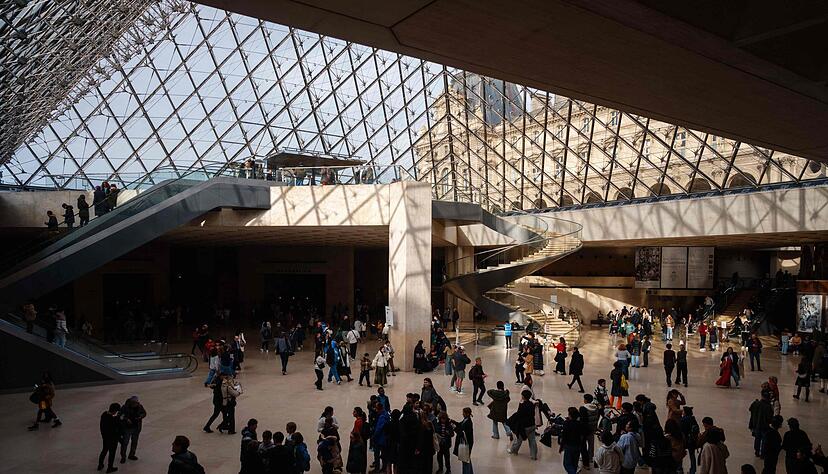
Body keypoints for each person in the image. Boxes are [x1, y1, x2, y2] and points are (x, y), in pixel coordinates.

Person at [506, 389, 537, 459]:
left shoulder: (522, 405)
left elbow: (518, 415)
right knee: (532, 441)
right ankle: (534, 455)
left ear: (523, 396)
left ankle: (513, 450)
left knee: (518, 440)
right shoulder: (532, 405)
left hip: (524, 426)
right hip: (532, 425)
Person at [119, 395, 146, 463]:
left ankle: (131, 455)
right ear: (131, 402)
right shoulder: (125, 407)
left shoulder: (139, 406)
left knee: (134, 442)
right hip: (127, 428)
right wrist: (126, 419)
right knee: (125, 443)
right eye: (134, 403)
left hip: (136, 427)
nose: (135, 404)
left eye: (136, 403)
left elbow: (144, 413)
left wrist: (140, 417)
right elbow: (120, 416)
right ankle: (123, 456)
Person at [98, 402, 122, 473]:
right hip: (113, 439)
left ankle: (100, 464)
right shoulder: (112, 419)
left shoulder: (104, 415)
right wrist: (118, 419)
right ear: (115, 411)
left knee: (104, 450)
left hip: (105, 437)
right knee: (112, 453)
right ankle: (110, 467)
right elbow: (116, 428)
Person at [749, 392, 774, 457]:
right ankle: (763, 453)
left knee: (757, 438)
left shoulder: (756, 403)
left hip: (756, 425)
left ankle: (757, 451)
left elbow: (750, 410)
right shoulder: (768, 406)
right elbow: (770, 418)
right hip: (765, 426)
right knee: (764, 440)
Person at [579, 393, 601, 469]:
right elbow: (597, 417)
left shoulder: (583, 408)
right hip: (592, 428)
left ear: (585, 400)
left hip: (585, 429)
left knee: (583, 444)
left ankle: (584, 457)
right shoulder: (596, 407)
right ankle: (590, 457)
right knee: (591, 443)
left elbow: (582, 420)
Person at [454, 407, 474, 474]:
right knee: (467, 459)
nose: (462, 414)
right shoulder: (466, 420)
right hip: (466, 443)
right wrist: (454, 422)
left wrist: (454, 428)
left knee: (465, 461)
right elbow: (460, 424)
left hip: (466, 444)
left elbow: (461, 432)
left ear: (467, 413)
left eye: (463, 413)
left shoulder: (468, 423)